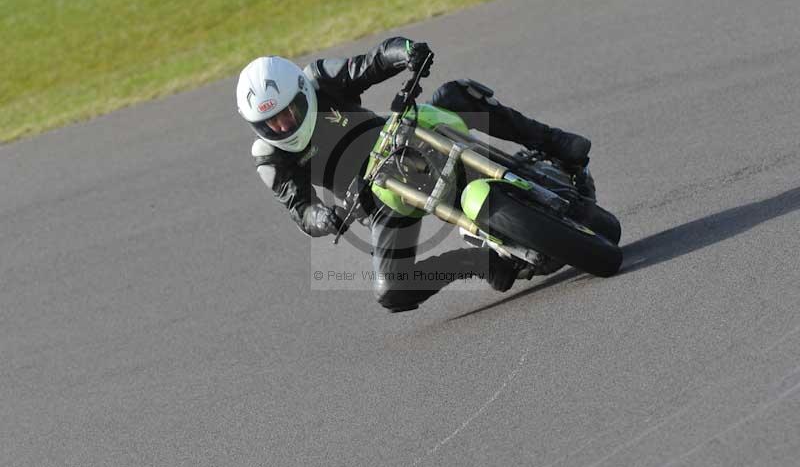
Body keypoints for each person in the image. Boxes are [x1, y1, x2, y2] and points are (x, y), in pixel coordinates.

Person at [236, 37, 593, 312]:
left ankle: (556, 143)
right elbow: (301, 211)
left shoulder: (319, 79)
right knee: (392, 291)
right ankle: (474, 261)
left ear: (301, 93)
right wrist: (326, 217)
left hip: (402, 136)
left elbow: (371, 63)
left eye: (288, 111)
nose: (282, 124)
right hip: (377, 198)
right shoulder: (269, 157)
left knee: (457, 94)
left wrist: (406, 51)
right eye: (270, 122)